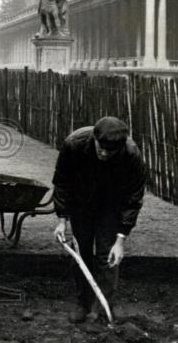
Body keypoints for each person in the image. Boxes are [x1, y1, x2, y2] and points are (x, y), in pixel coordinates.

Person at [51, 116, 146, 324]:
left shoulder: (131, 154)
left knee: (107, 254)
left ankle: (102, 306)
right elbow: (61, 182)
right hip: (81, 203)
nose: (104, 153)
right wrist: (62, 219)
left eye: (110, 151)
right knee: (81, 250)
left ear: (119, 148)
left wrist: (121, 239)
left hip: (111, 206)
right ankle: (83, 301)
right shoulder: (74, 145)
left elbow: (133, 199)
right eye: (100, 148)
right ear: (94, 138)